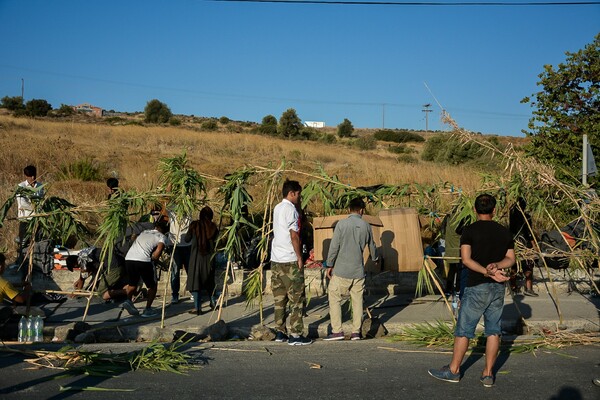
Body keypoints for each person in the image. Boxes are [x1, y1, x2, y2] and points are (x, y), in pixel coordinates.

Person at [428, 193, 515, 388]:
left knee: (464, 330)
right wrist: (496, 266)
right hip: (498, 286)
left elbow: (466, 260)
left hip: (476, 285)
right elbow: (511, 258)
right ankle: (487, 374)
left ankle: (454, 370)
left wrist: (486, 271)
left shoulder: (469, 231)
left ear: (475, 210)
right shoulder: (504, 231)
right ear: (494, 210)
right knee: (493, 330)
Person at [324, 198, 378, 341]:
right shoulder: (366, 226)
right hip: (358, 271)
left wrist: (329, 264)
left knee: (334, 297)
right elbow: (372, 247)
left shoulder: (341, 224)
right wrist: (375, 259)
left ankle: (337, 331)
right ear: (361, 210)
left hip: (342, 270)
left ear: (349, 209)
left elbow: (334, 247)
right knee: (357, 301)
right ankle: (356, 332)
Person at [270, 179, 312, 345]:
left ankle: (280, 332)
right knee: (296, 298)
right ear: (292, 193)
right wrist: (299, 257)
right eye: (298, 195)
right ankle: (296, 334)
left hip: (276, 259)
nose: (299, 198)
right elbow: (294, 235)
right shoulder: (291, 210)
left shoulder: (277, 208)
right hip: (289, 259)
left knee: (279, 299)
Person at [122, 219, 169, 317]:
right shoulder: (162, 237)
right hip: (143, 260)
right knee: (152, 286)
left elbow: (134, 237)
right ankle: (147, 309)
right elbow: (157, 254)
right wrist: (155, 259)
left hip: (129, 258)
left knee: (132, 283)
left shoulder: (144, 232)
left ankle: (128, 300)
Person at [185, 206, 219, 315]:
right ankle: (213, 302)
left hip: (196, 257)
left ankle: (197, 307)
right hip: (210, 257)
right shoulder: (213, 227)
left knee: (196, 282)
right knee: (210, 280)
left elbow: (187, 239)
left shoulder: (194, 225)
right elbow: (218, 242)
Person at [14, 165, 45, 272]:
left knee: (36, 240)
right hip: (25, 218)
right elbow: (22, 204)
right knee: (23, 241)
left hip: (37, 219)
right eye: (29, 177)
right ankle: (21, 262)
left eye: (33, 176)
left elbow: (42, 200)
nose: (32, 178)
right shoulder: (21, 186)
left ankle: (35, 263)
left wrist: (40, 207)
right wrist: (34, 206)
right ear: (26, 176)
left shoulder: (40, 186)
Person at [509, 197, 538, 296]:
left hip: (514, 242)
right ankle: (528, 288)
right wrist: (534, 244)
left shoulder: (511, 215)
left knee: (514, 265)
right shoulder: (526, 217)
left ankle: (513, 286)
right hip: (525, 243)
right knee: (529, 265)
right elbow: (529, 232)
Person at [167, 209, 192, 304]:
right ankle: (175, 294)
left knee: (190, 269)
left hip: (187, 244)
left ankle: (193, 291)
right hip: (175, 245)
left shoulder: (189, 210)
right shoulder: (172, 210)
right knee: (175, 270)